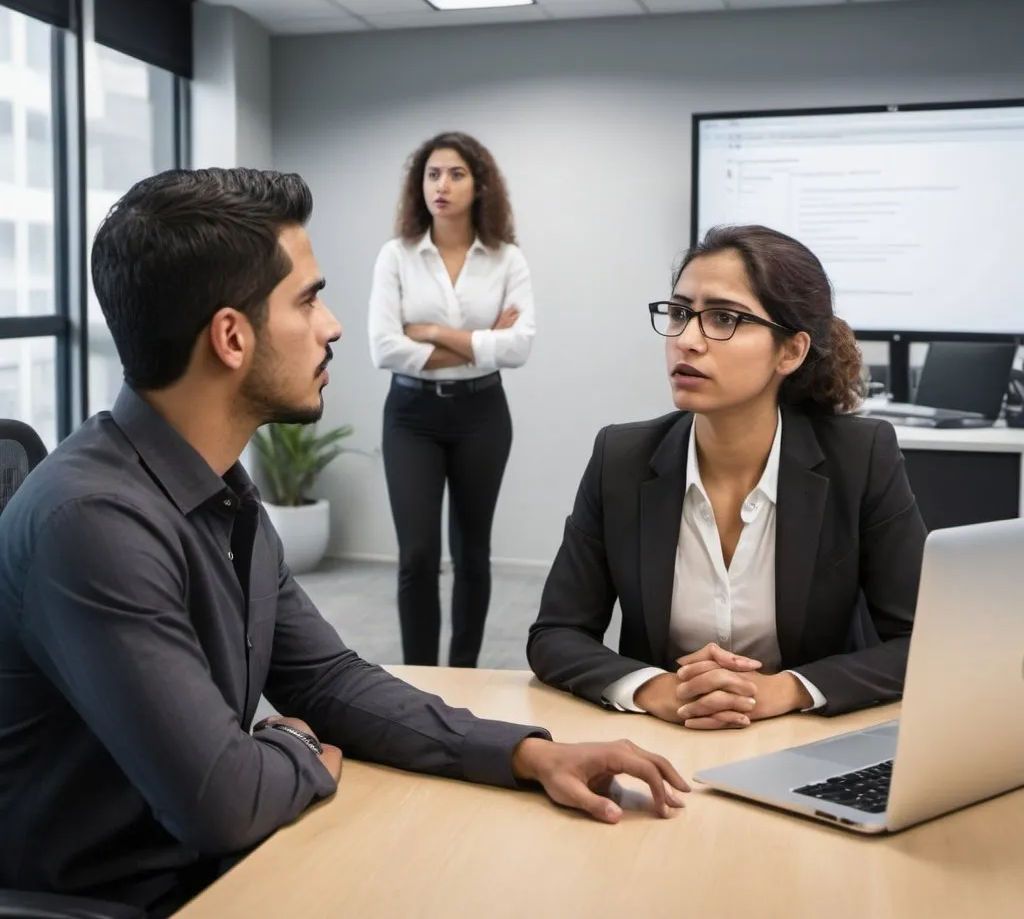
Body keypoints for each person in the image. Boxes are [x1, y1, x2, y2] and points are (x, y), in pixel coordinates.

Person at [0, 169, 685, 918]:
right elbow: (222, 801)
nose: (330, 327)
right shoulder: (92, 522)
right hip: (138, 900)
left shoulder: (216, 487)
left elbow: (327, 681)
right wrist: (294, 745)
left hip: (234, 868)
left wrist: (529, 754)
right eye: (308, 299)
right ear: (231, 336)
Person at [528, 224, 926, 729]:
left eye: (723, 318)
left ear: (791, 352)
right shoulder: (621, 458)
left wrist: (785, 690)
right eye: (679, 313)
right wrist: (654, 688)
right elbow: (556, 634)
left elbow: (922, 642)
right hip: (663, 741)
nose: (687, 341)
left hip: (807, 743)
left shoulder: (860, 456)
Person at [368, 132, 535, 668]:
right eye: (433, 174)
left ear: (479, 184)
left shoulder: (507, 259)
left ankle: (463, 673)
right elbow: (383, 348)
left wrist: (431, 331)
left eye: (456, 174)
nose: (442, 185)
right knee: (417, 555)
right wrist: (480, 339)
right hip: (411, 416)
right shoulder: (396, 256)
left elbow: (520, 346)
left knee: (472, 555)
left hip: (481, 415)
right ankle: (417, 675)